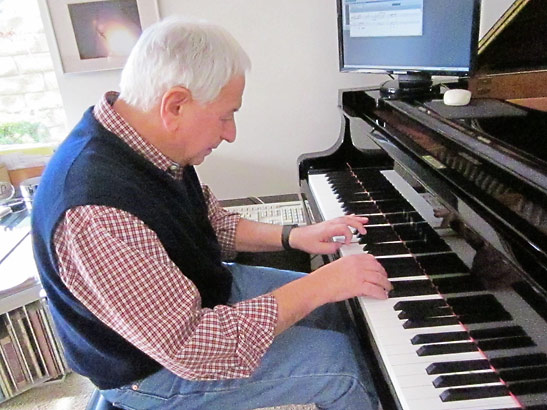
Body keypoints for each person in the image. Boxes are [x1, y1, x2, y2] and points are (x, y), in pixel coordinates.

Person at [32, 16, 392, 410]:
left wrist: (295, 236)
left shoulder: (147, 141)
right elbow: (192, 348)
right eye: (225, 115)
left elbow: (211, 223)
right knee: (345, 368)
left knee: (342, 311)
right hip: (150, 369)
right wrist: (318, 285)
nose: (231, 132)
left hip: (202, 295)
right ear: (176, 105)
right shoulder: (94, 210)